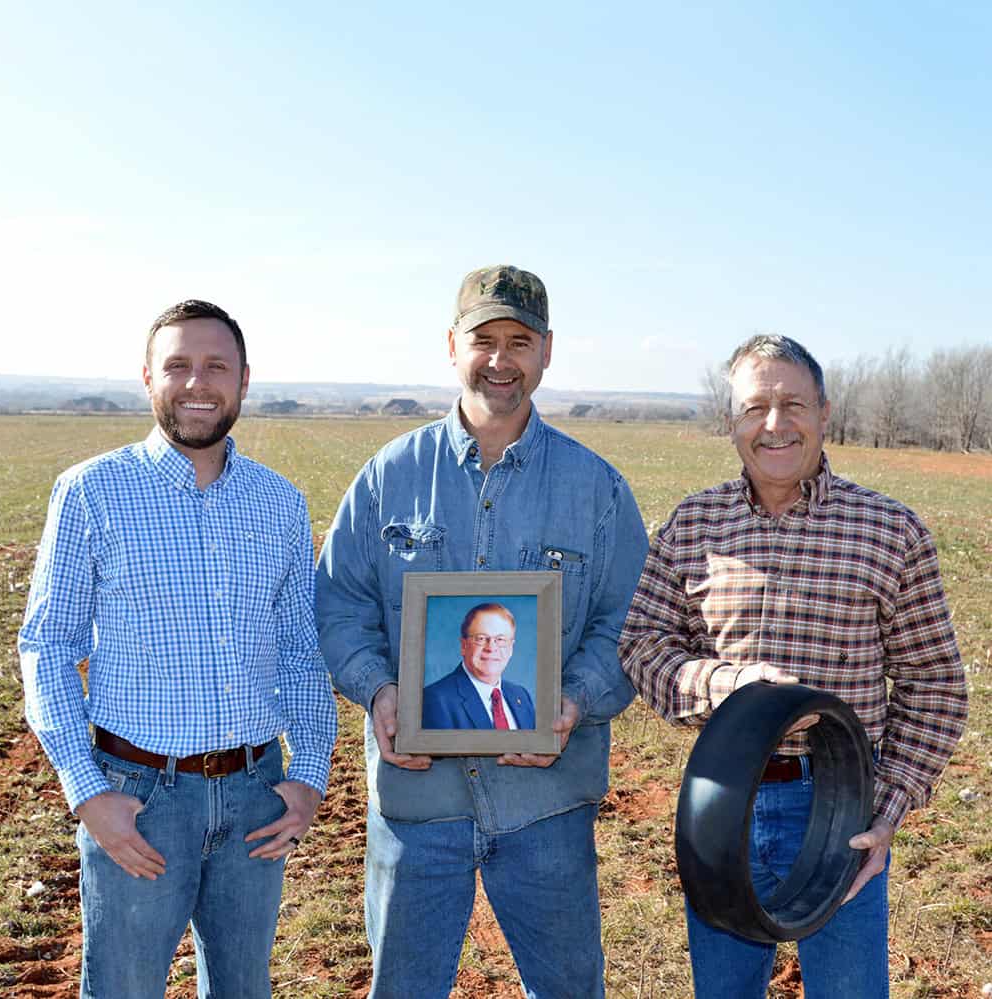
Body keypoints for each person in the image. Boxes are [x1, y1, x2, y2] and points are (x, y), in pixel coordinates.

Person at [316, 264, 648, 998]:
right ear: (451, 345)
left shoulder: (596, 487)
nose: (501, 360)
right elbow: (340, 605)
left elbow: (629, 622)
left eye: (519, 342)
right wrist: (378, 690)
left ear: (546, 351)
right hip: (417, 805)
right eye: (483, 340)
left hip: (545, 804)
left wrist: (572, 700)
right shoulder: (388, 477)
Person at [618, 334, 968, 999]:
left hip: (841, 806)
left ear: (824, 413)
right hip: (723, 796)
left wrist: (886, 806)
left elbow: (935, 685)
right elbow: (642, 645)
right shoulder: (692, 524)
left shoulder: (889, 529)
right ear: (732, 421)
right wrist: (726, 686)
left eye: (793, 404)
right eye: (755, 407)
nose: (773, 424)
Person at [18, 299, 337, 999]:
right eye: (178, 365)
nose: (198, 382)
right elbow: (47, 645)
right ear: (148, 378)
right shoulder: (91, 492)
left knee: (243, 988)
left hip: (255, 795)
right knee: (125, 988)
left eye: (216, 366)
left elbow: (300, 648)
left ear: (243, 380)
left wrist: (310, 773)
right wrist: (87, 793)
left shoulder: (279, 502)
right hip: (138, 797)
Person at [422, 602, 536, 730]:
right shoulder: (435, 700)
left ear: (511, 648)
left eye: (500, 639)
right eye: (481, 638)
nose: (491, 648)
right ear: (464, 646)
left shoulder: (521, 696)